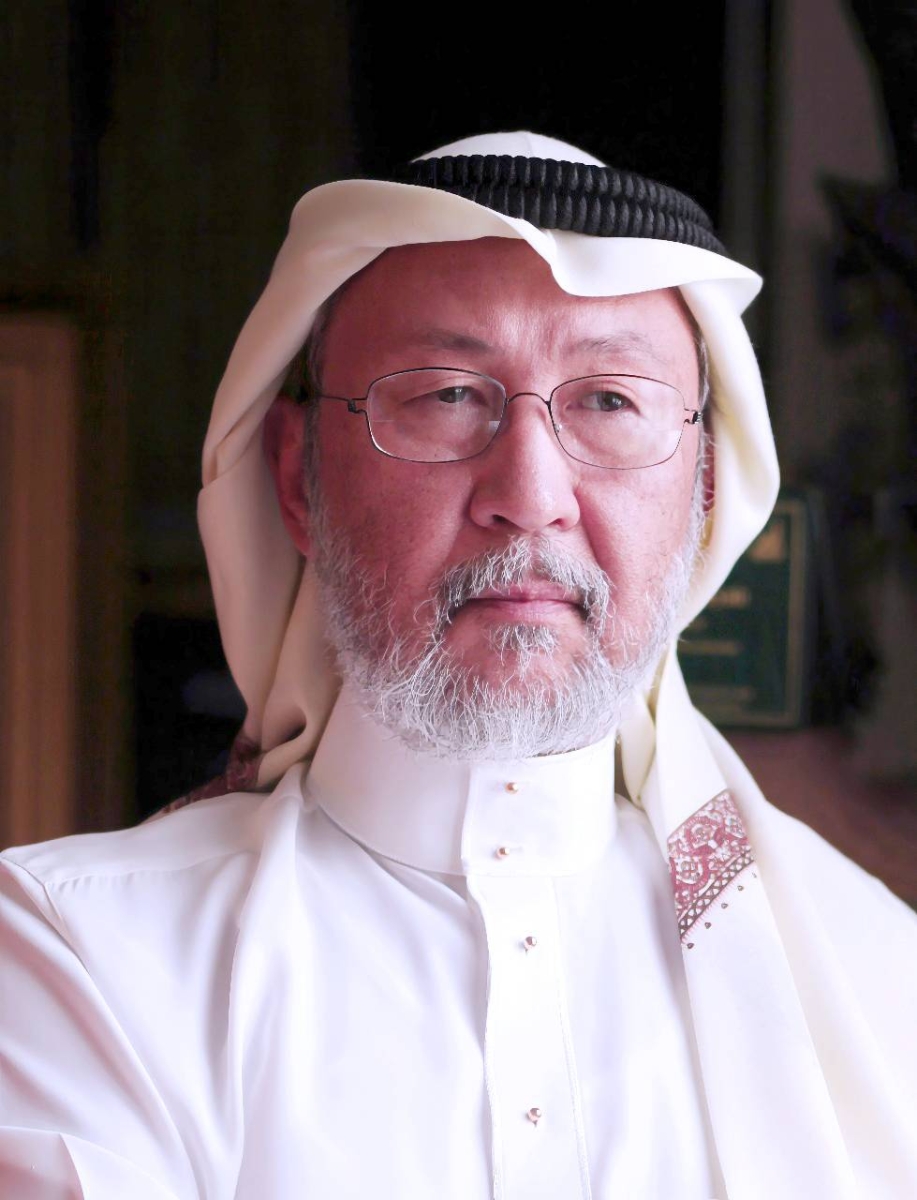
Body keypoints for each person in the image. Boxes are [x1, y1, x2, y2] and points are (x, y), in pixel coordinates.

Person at [1, 131, 915, 1199]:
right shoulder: (84, 952)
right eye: (443, 396)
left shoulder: (871, 976)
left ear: (704, 493)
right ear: (298, 480)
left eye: (608, 402)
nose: (528, 496)